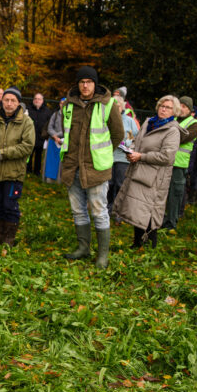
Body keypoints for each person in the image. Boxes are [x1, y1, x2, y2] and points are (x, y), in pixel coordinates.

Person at [59, 66, 123, 269]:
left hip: (96, 168)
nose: (85, 85)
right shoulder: (68, 105)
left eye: (89, 82)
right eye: (81, 82)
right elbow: (65, 131)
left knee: (98, 211)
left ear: (95, 84)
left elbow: (118, 134)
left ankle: (102, 256)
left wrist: (102, 153)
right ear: (77, 85)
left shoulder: (108, 105)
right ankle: (83, 248)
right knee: (78, 210)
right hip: (72, 166)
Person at [113, 95, 181, 248]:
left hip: (155, 177)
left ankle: (150, 244)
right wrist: (130, 150)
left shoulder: (172, 130)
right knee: (137, 209)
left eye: (168, 107)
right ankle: (138, 242)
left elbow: (167, 156)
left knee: (149, 210)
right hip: (138, 171)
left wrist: (141, 156)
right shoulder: (149, 122)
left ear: (174, 111)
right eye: (162, 105)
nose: (163, 109)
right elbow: (138, 140)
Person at [0, 87, 36, 245]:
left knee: (10, 205)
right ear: (1, 101)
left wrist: (2, 153)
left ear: (18, 103)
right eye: (6, 100)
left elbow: (27, 146)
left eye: (13, 101)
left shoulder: (26, 122)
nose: (9, 104)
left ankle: (9, 237)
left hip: (14, 173)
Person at [161, 95, 197, 229]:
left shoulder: (194, 124)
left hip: (179, 164)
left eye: (184, 107)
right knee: (163, 193)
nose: (182, 109)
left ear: (190, 110)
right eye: (180, 106)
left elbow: (183, 137)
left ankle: (171, 223)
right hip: (166, 161)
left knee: (175, 194)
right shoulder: (174, 120)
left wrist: (170, 130)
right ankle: (163, 219)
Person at [107, 92, 139, 214]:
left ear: (122, 107)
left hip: (122, 157)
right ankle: (109, 208)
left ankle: (119, 209)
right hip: (109, 157)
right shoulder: (106, 120)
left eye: (117, 106)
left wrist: (126, 141)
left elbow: (133, 136)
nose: (115, 108)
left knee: (120, 184)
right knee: (109, 184)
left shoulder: (129, 121)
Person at [26, 92, 53, 177]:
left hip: (41, 137)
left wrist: (45, 135)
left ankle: (37, 172)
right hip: (30, 137)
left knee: (39, 156)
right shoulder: (28, 109)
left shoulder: (47, 111)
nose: (37, 100)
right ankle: (28, 170)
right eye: (35, 99)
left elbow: (49, 124)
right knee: (29, 155)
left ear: (42, 101)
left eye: (39, 99)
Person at [45, 97, 65, 182]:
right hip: (53, 141)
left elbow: (67, 129)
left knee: (61, 162)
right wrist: (55, 136)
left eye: (65, 103)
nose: (63, 105)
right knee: (51, 161)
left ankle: (59, 180)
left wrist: (58, 136)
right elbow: (49, 127)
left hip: (63, 141)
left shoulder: (71, 116)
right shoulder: (55, 114)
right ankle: (49, 178)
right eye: (61, 103)